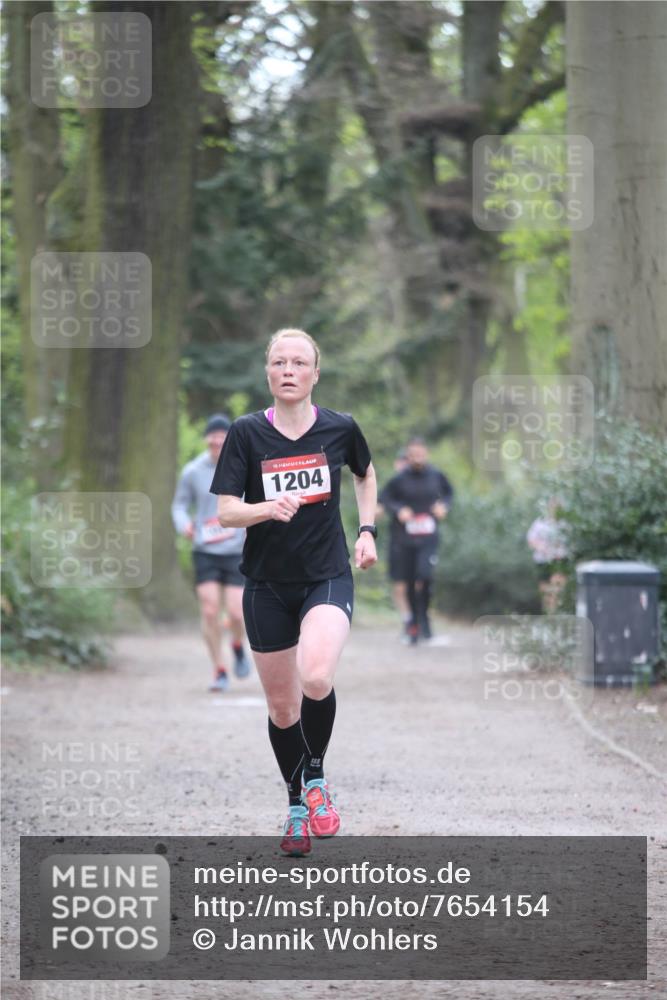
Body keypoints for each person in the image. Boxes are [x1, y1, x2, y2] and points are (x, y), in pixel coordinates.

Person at [210, 328, 377, 856]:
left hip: (326, 574)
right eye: (279, 362)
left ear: (314, 373)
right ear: (268, 372)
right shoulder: (245, 434)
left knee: (317, 674)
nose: (288, 370)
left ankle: (318, 780)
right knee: (283, 709)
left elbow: (366, 475)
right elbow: (226, 511)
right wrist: (266, 509)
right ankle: (296, 807)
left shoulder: (340, 428)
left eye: (298, 362)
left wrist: (367, 532)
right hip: (264, 585)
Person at [172, 414, 253, 692]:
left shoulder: (243, 466)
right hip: (205, 549)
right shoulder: (193, 471)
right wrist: (184, 525)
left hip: (235, 550)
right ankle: (219, 669)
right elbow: (179, 506)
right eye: (213, 435)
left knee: (237, 612)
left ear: (230, 438)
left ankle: (238, 645)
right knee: (209, 611)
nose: (218, 440)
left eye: (223, 435)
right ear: (206, 439)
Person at [379, 438, 453, 644]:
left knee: (425, 576)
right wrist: (399, 509)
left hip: (428, 538)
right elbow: (384, 498)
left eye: (421, 453)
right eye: (414, 454)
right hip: (405, 539)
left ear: (426, 453)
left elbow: (449, 494)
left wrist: (444, 506)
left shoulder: (436, 475)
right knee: (410, 581)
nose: (418, 457)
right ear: (408, 456)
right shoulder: (399, 479)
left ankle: (423, 621)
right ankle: (414, 626)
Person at [526, 498, 569, 613]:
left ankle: (557, 613)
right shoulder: (540, 523)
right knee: (545, 591)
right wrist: (542, 547)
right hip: (543, 561)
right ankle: (549, 614)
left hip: (559, 561)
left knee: (558, 590)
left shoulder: (565, 524)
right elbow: (531, 540)